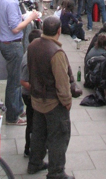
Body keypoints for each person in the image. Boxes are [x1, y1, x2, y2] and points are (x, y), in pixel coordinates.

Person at [27, 16, 74, 179]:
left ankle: (35, 163)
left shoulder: (33, 45)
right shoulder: (56, 52)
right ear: (59, 31)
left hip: (36, 98)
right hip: (53, 102)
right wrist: (67, 101)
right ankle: (56, 172)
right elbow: (62, 82)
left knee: (39, 133)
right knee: (59, 137)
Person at [0, 0, 39, 126]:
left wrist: (22, 16)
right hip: (12, 44)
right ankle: (12, 116)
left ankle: (18, 107)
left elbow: (10, 19)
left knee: (14, 78)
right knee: (14, 81)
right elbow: (15, 28)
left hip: (4, 41)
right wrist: (31, 18)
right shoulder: (12, 3)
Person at [20, 28, 43, 157]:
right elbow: (23, 81)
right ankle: (29, 148)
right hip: (29, 95)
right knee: (32, 122)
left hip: (32, 93)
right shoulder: (28, 59)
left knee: (34, 121)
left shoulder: (33, 53)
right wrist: (37, 88)